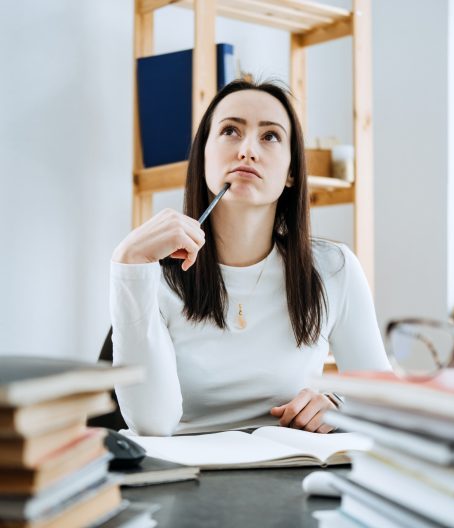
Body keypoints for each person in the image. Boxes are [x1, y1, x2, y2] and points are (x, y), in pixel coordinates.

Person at [110, 79, 391, 437]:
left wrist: (339, 406)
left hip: (291, 471)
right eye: (230, 130)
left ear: (291, 172)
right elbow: (151, 424)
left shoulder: (333, 268)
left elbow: (384, 401)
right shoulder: (157, 275)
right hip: (187, 476)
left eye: (270, 136)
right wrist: (128, 262)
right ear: (203, 158)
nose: (247, 151)